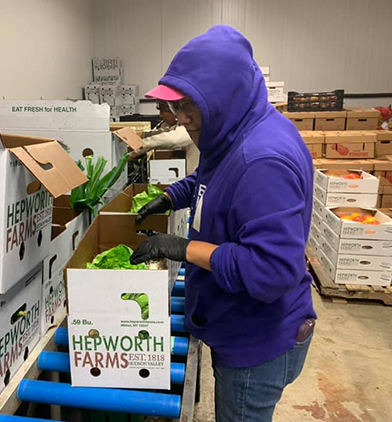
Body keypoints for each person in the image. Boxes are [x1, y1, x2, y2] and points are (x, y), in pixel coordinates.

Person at [130, 26, 317, 422]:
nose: (181, 119)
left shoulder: (263, 161)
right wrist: (169, 197)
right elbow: (207, 180)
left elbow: (272, 270)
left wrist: (183, 249)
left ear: (222, 96)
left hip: (257, 342)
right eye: (176, 107)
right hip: (234, 322)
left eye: (188, 107)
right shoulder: (233, 131)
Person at [131, 101, 200, 175]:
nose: (161, 115)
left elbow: (173, 139)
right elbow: (167, 132)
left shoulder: (192, 126)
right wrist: (141, 135)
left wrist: (139, 147)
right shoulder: (180, 125)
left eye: (163, 110)